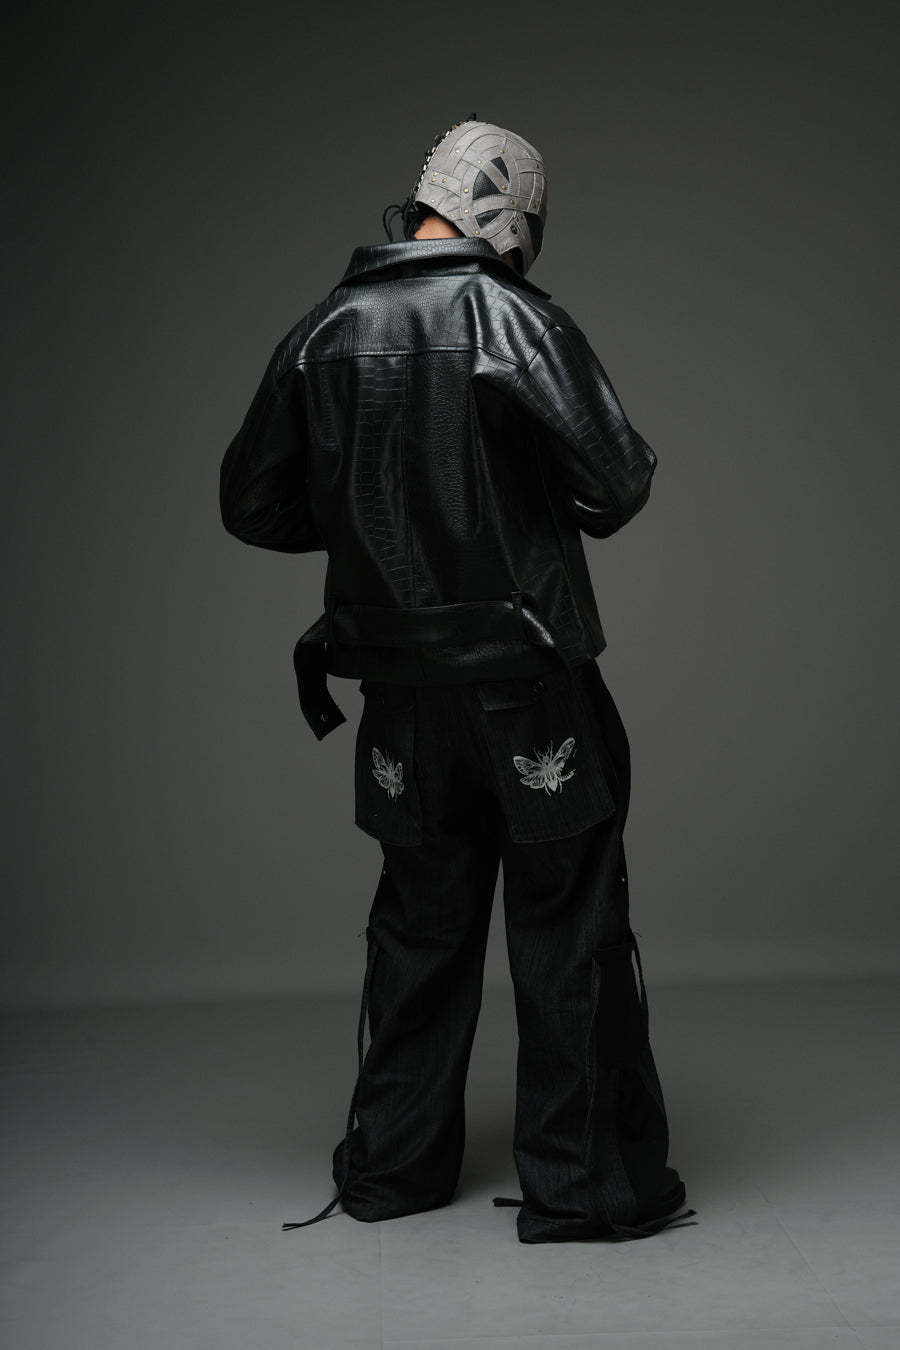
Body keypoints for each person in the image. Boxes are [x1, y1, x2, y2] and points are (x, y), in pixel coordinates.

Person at [219, 115, 697, 1243]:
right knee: (567, 925)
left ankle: (391, 1171)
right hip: (527, 684)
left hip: (398, 695)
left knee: (418, 927)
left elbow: (252, 503)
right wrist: (510, 499)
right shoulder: (512, 318)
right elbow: (617, 483)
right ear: (512, 217)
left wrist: (371, 531)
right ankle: (582, 1190)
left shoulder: (323, 331)